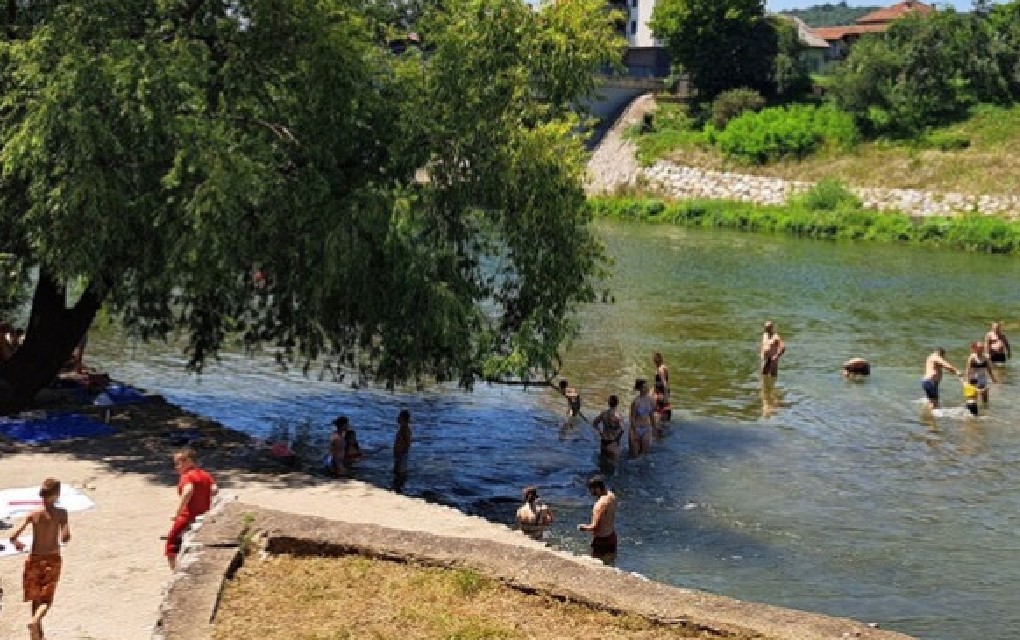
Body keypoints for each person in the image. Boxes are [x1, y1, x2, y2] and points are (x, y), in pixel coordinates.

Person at [8, 478, 71, 640]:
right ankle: (35, 621)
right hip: (52, 559)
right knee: (46, 600)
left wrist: (18, 543)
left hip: (34, 559)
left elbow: (13, 536)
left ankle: (37, 636)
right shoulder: (61, 513)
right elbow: (65, 537)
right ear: (57, 495)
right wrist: (64, 531)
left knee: (35, 598)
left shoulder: (33, 514)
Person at [167, 448, 217, 570]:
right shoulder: (205, 474)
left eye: (178, 463)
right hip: (203, 516)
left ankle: (175, 572)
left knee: (171, 545)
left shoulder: (187, 476)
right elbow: (214, 490)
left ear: (189, 461)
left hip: (187, 516)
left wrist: (177, 513)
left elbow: (188, 491)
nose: (176, 467)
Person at [577, 476, 617, 563]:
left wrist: (583, 527)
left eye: (591, 490)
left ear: (597, 489)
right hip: (612, 536)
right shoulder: (612, 496)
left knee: (595, 564)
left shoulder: (599, 506)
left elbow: (595, 527)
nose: (590, 492)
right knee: (610, 563)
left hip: (601, 541)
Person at [591, 395, 625, 459]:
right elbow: (622, 429)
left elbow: (594, 423)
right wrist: (617, 439)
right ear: (617, 403)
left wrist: (600, 432)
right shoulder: (618, 416)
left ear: (608, 403)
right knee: (613, 465)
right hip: (612, 442)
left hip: (603, 441)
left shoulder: (604, 413)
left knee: (602, 464)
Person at [629, 379, 655, 456]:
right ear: (639, 389)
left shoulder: (651, 400)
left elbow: (651, 414)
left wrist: (654, 428)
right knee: (634, 456)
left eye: (647, 386)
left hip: (646, 429)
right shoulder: (636, 401)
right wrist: (635, 432)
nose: (646, 388)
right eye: (644, 387)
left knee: (644, 455)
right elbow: (632, 418)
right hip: (636, 429)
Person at [652, 352, 672, 421]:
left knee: (659, 409)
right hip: (662, 391)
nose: (653, 362)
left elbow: (664, 383)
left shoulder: (660, 369)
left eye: (654, 360)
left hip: (661, 392)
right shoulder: (664, 367)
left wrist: (665, 396)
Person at [393, 409, 412, 477]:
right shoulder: (402, 429)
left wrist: (400, 451)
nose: (397, 418)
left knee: (400, 473)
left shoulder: (405, 430)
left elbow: (407, 443)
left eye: (399, 417)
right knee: (397, 471)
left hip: (401, 454)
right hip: (400, 454)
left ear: (403, 419)